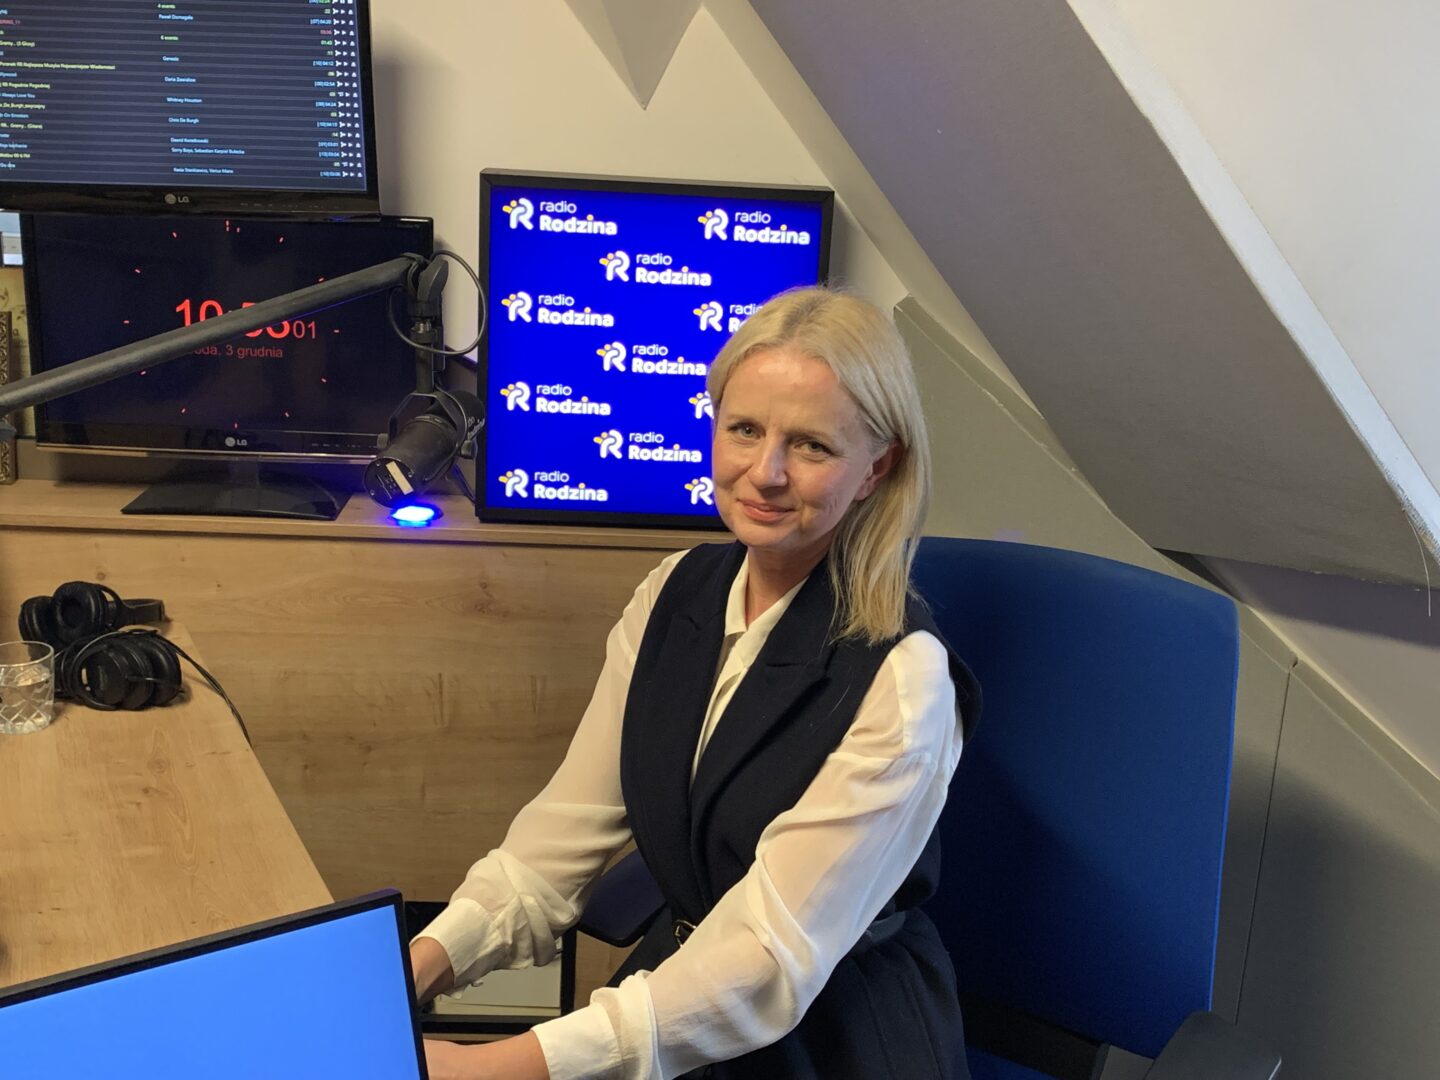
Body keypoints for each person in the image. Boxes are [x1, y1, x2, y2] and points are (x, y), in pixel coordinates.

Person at [411, 286, 980, 1080]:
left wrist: (489, 1067)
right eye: (744, 429)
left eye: (811, 446)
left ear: (875, 468)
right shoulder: (672, 595)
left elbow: (765, 959)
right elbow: (552, 850)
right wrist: (408, 975)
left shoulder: (905, 680)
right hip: (679, 991)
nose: (765, 472)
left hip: (830, 1039)